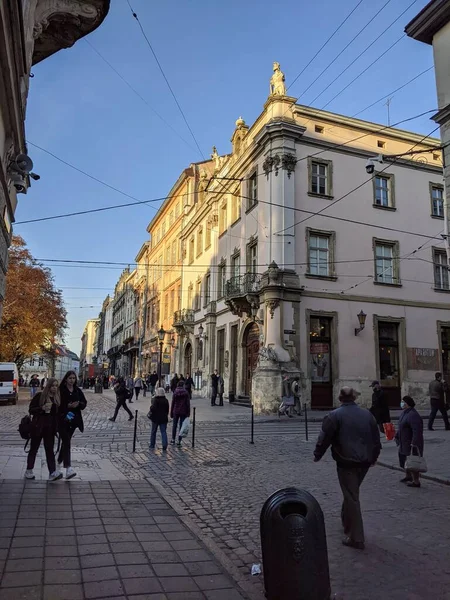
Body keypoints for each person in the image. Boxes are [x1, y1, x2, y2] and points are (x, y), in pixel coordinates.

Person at [314, 387, 381, 550]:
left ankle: (356, 537)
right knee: (351, 492)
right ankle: (346, 521)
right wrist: (374, 457)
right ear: (354, 398)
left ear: (340, 399)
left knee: (351, 496)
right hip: (364, 461)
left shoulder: (334, 415)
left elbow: (324, 437)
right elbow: (376, 438)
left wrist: (318, 454)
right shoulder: (367, 414)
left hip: (346, 461)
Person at [25, 378, 63, 481]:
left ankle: (52, 472)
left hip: (50, 429)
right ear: (48, 386)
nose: (54, 388)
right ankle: (29, 470)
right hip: (38, 427)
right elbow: (31, 409)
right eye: (52, 386)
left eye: (56, 386)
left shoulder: (57, 398)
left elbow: (58, 414)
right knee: (34, 449)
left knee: (50, 450)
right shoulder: (40, 396)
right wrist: (41, 409)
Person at [57, 370, 87, 480]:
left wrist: (78, 404)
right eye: (70, 378)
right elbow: (57, 405)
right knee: (66, 442)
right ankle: (68, 468)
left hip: (73, 420)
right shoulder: (61, 390)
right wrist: (67, 406)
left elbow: (84, 403)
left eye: (73, 378)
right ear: (66, 379)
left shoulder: (77, 390)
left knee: (66, 442)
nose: (72, 380)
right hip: (63, 419)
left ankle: (58, 462)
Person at [395, 395, 424, 488]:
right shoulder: (405, 413)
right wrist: (397, 435)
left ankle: (416, 481)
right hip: (404, 441)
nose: (401, 403)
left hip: (411, 443)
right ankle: (408, 476)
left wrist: (414, 442)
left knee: (413, 462)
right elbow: (401, 426)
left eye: (403, 402)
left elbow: (417, 430)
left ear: (407, 404)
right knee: (404, 459)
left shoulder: (413, 415)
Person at [170, 380, 190, 446]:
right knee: (181, 426)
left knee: (174, 425)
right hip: (183, 411)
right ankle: (179, 440)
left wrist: (171, 412)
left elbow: (173, 403)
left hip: (176, 410)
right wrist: (188, 412)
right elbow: (187, 403)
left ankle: (173, 439)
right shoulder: (186, 392)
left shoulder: (175, 392)